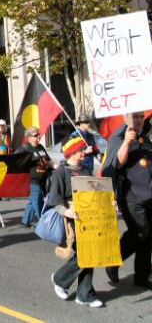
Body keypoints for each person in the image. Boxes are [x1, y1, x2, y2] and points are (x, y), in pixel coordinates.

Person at [49, 134, 103, 308]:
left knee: (90, 253)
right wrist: (67, 211)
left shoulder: (86, 171)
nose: (84, 152)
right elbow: (55, 200)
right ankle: (62, 280)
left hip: (89, 217)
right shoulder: (60, 172)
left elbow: (95, 194)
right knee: (85, 253)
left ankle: (82, 293)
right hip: (72, 218)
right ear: (72, 152)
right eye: (81, 149)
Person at [104, 111, 152, 288]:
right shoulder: (118, 136)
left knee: (147, 237)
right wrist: (126, 141)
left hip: (148, 194)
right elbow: (117, 163)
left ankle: (142, 276)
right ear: (125, 117)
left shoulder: (146, 133)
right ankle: (113, 261)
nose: (139, 120)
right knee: (140, 233)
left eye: (141, 117)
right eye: (135, 117)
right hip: (131, 196)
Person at [16, 126, 57, 228]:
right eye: (35, 135)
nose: (38, 137)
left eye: (38, 134)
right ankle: (44, 223)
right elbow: (15, 161)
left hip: (43, 179)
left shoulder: (41, 147)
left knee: (32, 201)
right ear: (29, 137)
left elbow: (48, 161)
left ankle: (25, 221)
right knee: (38, 200)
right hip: (32, 180)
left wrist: (57, 167)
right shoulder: (24, 149)